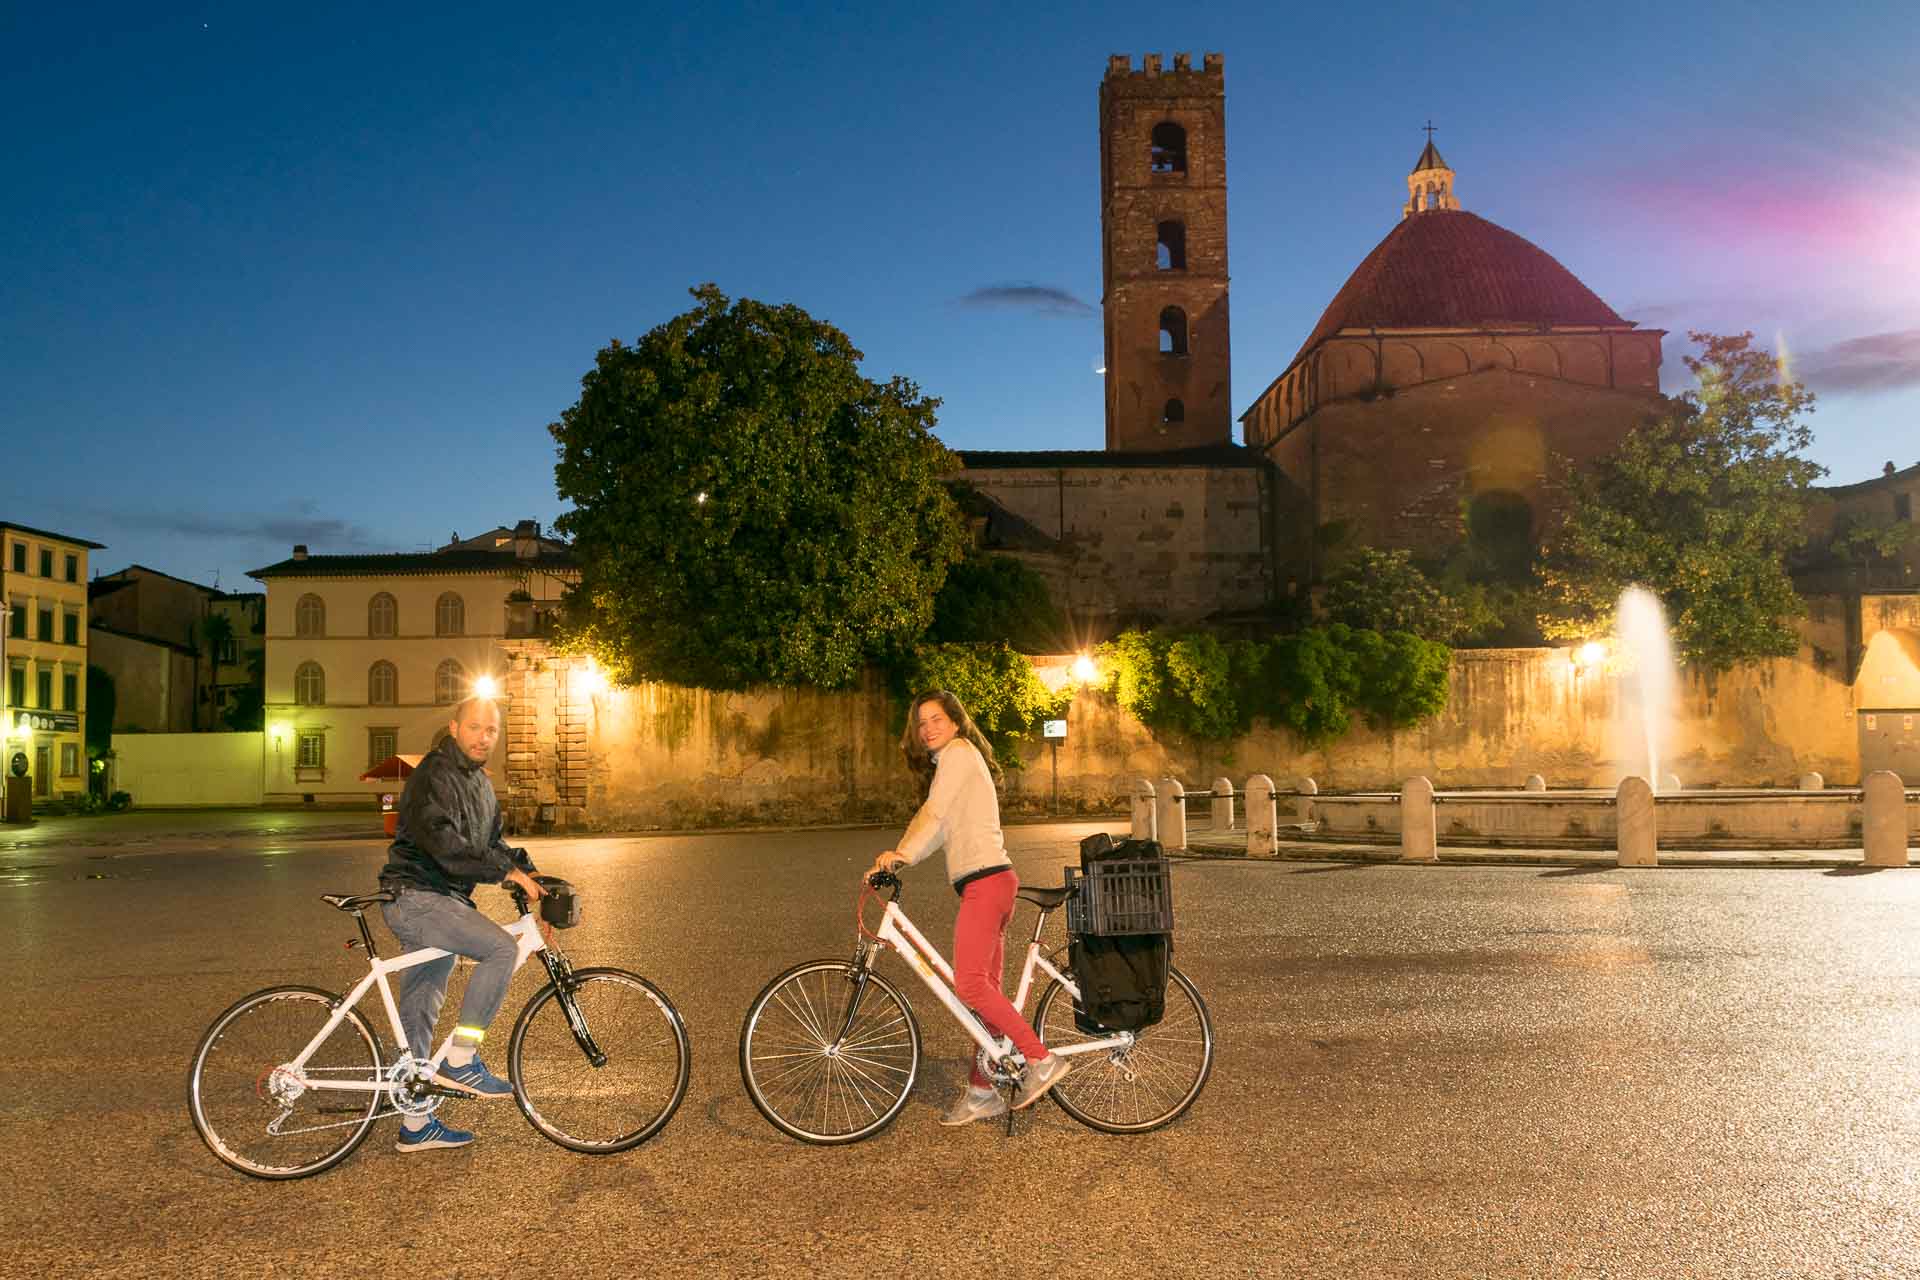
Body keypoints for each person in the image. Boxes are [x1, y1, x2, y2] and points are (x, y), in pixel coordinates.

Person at [867, 690, 1069, 1125]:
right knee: (985, 994)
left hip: (987, 883)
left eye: (936, 719)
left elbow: (934, 814)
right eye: (921, 723)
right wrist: (906, 857)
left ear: (956, 723)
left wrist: (899, 853)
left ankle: (1041, 1060)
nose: (928, 729)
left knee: (972, 986)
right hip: (991, 881)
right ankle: (982, 1092)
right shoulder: (957, 761)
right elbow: (941, 829)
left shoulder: (958, 754)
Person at [377, 695, 550, 1152]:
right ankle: (462, 1059)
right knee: (500, 949)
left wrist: (527, 871)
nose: (483, 737)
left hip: (442, 900)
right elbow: (445, 844)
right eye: (474, 727)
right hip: (416, 894)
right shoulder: (433, 774)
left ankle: (415, 1123)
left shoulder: (481, 785)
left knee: (423, 1001)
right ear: (454, 728)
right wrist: (504, 873)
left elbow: (492, 844)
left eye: (491, 730)